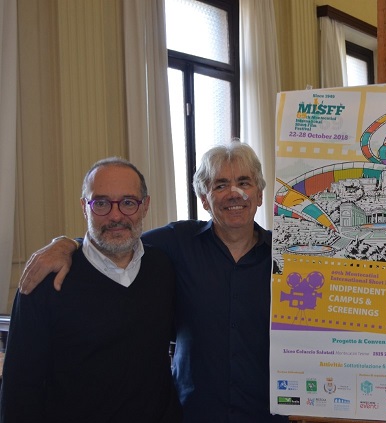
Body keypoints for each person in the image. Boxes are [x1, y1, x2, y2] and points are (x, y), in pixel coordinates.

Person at [17, 141, 288, 423]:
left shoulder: (290, 257)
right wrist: (66, 244)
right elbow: (117, 238)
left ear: (259, 194)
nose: (234, 193)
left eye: (244, 182)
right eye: (220, 185)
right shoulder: (177, 243)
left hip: (267, 413)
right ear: (204, 199)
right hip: (192, 414)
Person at [0, 158, 181, 422]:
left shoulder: (163, 267)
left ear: (145, 206)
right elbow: (19, 389)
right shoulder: (46, 280)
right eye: (101, 203)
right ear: (85, 207)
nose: (116, 216)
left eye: (128, 202)